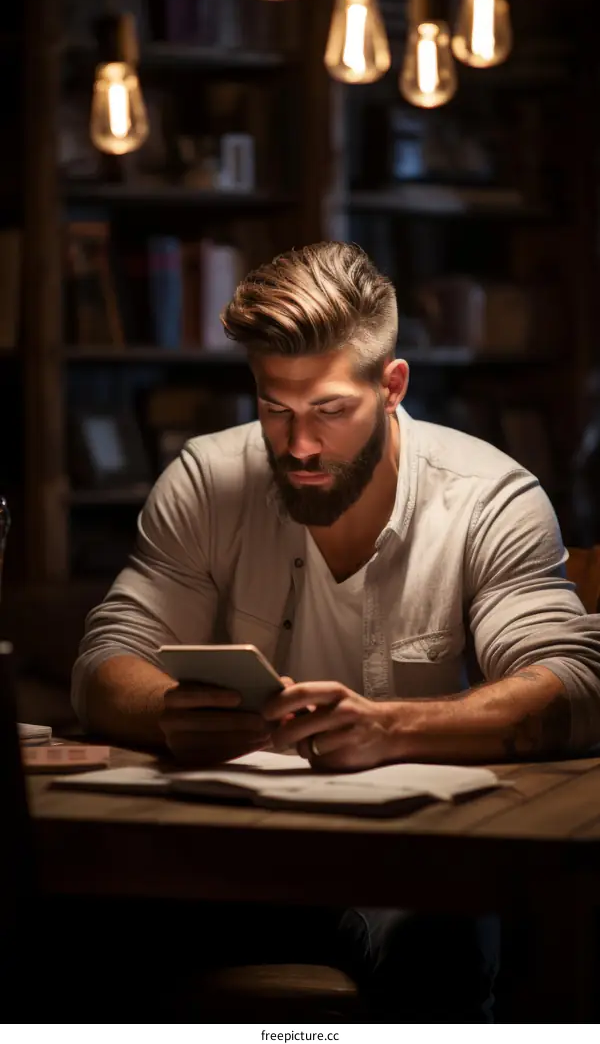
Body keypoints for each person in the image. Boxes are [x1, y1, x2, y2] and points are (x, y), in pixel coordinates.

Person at [72, 241, 600, 1022]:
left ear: (391, 386)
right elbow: (104, 658)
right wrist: (163, 710)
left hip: (420, 868)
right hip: (231, 858)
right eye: (274, 408)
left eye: (328, 410)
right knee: (73, 928)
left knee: (440, 947)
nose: (299, 445)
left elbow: (578, 686)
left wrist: (388, 727)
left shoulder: (488, 496)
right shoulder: (207, 479)